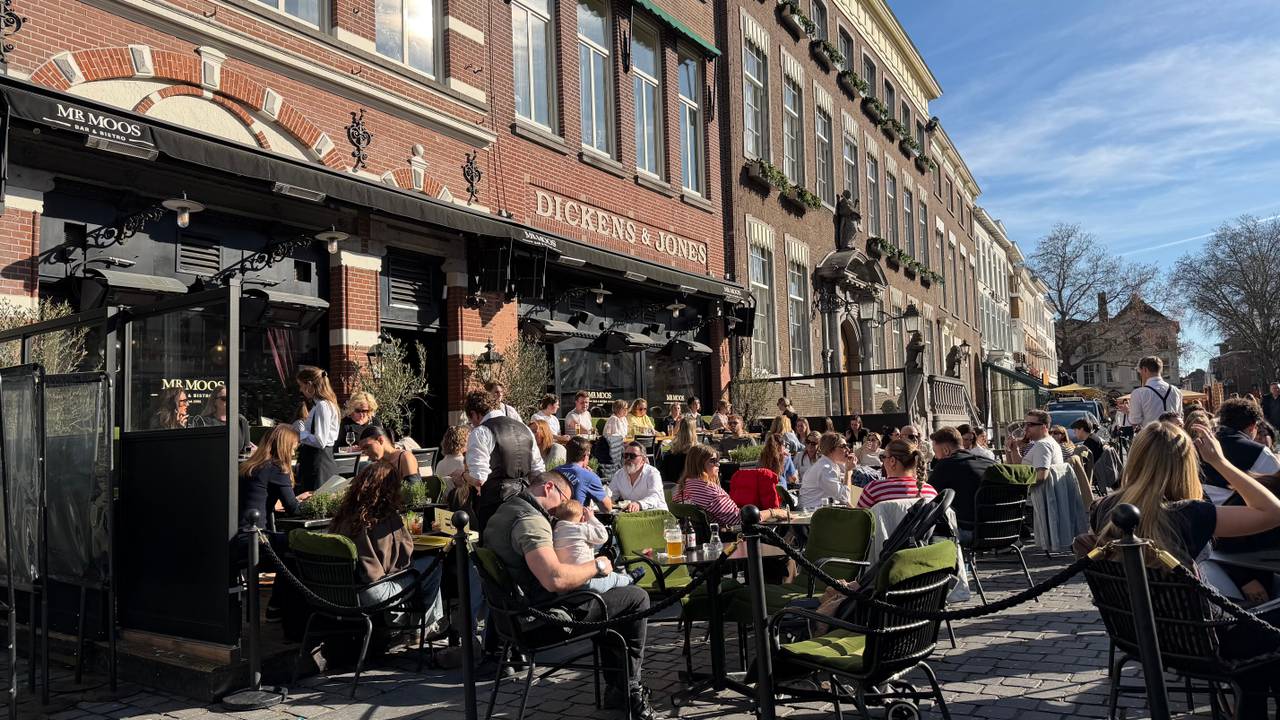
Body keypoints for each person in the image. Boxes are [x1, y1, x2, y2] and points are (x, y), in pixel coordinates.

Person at [1092, 422, 1280, 719]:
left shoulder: (1104, 510)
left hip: (1147, 638)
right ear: (1185, 465)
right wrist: (1220, 461)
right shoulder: (1188, 514)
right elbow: (1273, 512)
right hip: (1207, 641)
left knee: (1262, 662)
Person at [482, 472, 655, 718]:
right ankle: (629, 689)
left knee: (614, 598)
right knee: (636, 598)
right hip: (543, 620)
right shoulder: (530, 521)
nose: (564, 507)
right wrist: (597, 566)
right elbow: (555, 580)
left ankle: (620, 688)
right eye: (564, 499)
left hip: (514, 619)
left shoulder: (506, 510)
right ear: (549, 487)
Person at [329, 461, 444, 626]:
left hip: (343, 593)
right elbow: (402, 562)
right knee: (432, 565)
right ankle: (423, 626)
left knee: (423, 570)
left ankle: (424, 624)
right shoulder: (384, 519)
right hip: (375, 592)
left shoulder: (344, 517)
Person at [462, 389, 544, 534]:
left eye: (471, 419)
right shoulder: (525, 428)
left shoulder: (481, 432)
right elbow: (538, 471)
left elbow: (479, 479)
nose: (472, 424)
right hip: (525, 500)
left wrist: (464, 475)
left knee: (492, 552)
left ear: (475, 414)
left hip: (495, 505)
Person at [1200, 398, 1280, 505]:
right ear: (1252, 427)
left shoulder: (1200, 445)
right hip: (1246, 515)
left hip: (1202, 512)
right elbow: (1276, 488)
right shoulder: (1259, 452)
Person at [552, 500, 642, 591]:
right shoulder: (580, 529)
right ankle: (629, 579)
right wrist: (591, 518)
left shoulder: (556, 531)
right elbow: (603, 535)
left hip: (567, 582)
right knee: (613, 578)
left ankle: (624, 578)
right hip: (585, 582)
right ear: (582, 518)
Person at [238, 424, 310, 532]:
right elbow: (294, 510)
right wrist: (315, 504)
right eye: (292, 448)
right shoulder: (276, 468)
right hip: (257, 536)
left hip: (238, 532)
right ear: (284, 447)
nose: (293, 453)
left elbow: (259, 498)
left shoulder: (250, 466)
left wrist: (297, 498)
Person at [928, 426, 994, 527]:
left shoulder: (945, 465)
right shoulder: (989, 463)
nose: (936, 457)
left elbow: (928, 496)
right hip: (998, 527)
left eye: (935, 452)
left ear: (946, 450)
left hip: (966, 529)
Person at [293, 367, 340, 492]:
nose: (300, 390)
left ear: (309, 385)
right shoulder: (321, 405)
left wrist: (300, 433)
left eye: (301, 385)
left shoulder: (322, 406)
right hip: (318, 462)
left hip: (319, 464)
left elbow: (321, 441)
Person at [672, 444, 740, 527]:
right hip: (724, 535)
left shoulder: (681, 487)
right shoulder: (709, 490)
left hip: (692, 534)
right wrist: (760, 514)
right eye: (712, 461)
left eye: (718, 460)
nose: (718, 464)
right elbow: (735, 519)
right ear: (699, 464)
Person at [857, 440, 936, 509]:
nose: (882, 461)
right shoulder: (930, 492)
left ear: (892, 461)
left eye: (883, 457)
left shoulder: (874, 490)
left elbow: (859, 521)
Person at [728, 435, 790, 521]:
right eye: (785, 445)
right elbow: (792, 478)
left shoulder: (760, 460)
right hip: (774, 508)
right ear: (781, 445)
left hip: (752, 510)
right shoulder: (786, 458)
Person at [1004, 409, 1063, 482]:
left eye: (1030, 425)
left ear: (1043, 427)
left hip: (1037, 492)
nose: (1025, 428)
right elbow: (1020, 468)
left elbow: (1041, 476)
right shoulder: (1046, 442)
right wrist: (1012, 450)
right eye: (1025, 424)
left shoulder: (1043, 445)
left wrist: (1018, 483)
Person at [555, 437, 612, 511]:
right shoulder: (589, 476)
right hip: (576, 520)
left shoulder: (554, 471)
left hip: (551, 519)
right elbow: (607, 508)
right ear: (585, 456)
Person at [799, 432, 853, 510]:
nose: (847, 449)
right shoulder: (826, 469)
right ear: (831, 449)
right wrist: (848, 471)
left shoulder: (827, 464)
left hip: (814, 511)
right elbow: (845, 498)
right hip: (811, 514)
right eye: (843, 446)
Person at [1127, 355, 1183, 430]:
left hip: (1152, 437)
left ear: (1145, 369)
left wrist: (1128, 412)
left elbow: (1135, 421)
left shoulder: (1138, 393)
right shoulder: (1176, 391)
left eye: (1140, 372)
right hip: (1173, 436)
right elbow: (1179, 416)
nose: (1141, 375)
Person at [610, 442, 667, 511]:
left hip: (656, 514)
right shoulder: (619, 474)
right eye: (625, 455)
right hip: (634, 516)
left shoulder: (652, 473)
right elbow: (611, 495)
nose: (628, 458)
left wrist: (639, 504)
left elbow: (655, 497)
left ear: (643, 459)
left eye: (632, 456)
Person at [435, 425, 469, 506]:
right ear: (463, 441)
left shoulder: (440, 464)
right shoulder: (463, 463)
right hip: (459, 506)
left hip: (443, 507)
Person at [659, 416, 700, 483]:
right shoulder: (697, 454)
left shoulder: (670, 454)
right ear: (694, 431)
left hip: (673, 488)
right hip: (692, 488)